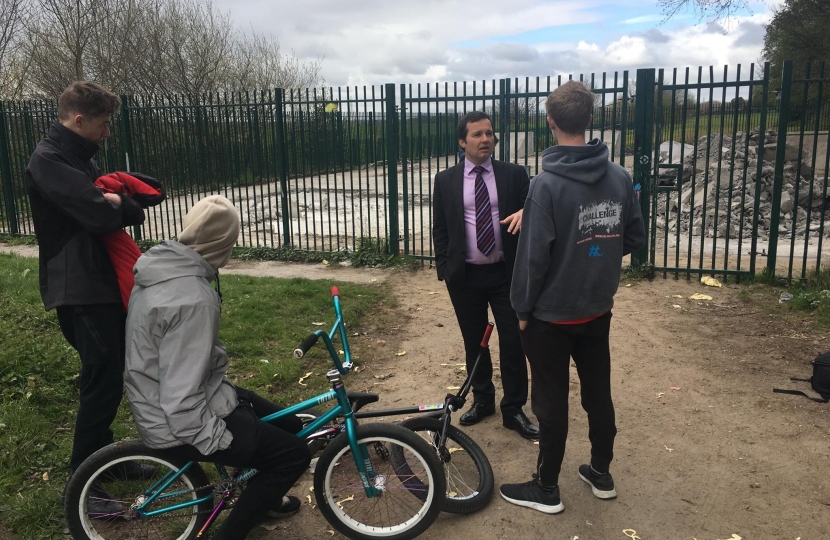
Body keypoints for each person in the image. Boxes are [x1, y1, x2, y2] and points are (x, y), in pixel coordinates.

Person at [124, 195, 310, 540]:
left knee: (289, 423)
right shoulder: (193, 298)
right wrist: (217, 438)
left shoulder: (162, 268)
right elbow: (180, 397)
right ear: (223, 244)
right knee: (292, 455)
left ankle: (261, 495)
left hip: (169, 393)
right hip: (175, 418)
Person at [500, 80, 645, 514]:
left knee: (549, 400)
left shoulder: (545, 186)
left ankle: (546, 488)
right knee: (598, 391)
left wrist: (522, 310)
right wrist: (595, 256)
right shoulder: (620, 176)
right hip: (597, 309)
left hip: (551, 317)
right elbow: (633, 236)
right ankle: (601, 472)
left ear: (550, 122)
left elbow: (532, 261)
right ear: (591, 119)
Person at [25, 82, 155, 491]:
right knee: (102, 380)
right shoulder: (48, 160)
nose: (108, 133)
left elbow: (108, 203)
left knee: (109, 375)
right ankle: (84, 484)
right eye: (103, 124)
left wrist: (119, 202)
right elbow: (99, 215)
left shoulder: (74, 157)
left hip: (98, 281)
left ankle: (106, 461)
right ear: (79, 120)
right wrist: (120, 205)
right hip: (79, 287)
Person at [432, 111, 539, 439]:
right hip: (464, 278)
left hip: (506, 274)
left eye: (489, 133)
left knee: (513, 340)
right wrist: (445, 269)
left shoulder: (513, 175)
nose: (486, 140)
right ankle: (483, 400)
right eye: (477, 135)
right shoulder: (446, 180)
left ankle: (514, 409)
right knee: (474, 342)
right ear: (462, 141)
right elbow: (441, 227)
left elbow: (535, 212)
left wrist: (527, 209)